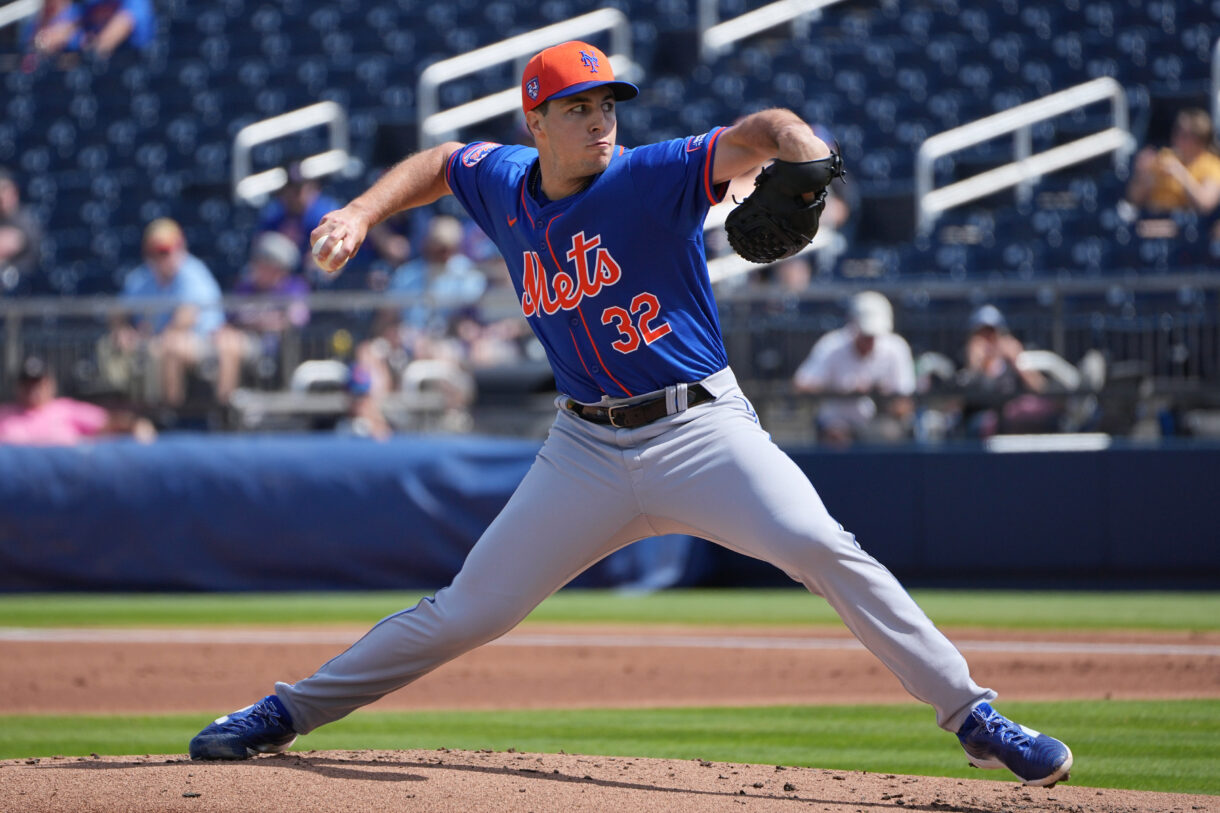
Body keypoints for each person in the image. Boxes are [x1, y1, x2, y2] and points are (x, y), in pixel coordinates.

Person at [190, 40, 1073, 787]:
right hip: (583, 448)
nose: (600, 119)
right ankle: (284, 710)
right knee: (469, 610)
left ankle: (974, 715)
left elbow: (764, 134)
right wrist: (356, 208)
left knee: (819, 546)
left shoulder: (653, 175)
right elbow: (440, 162)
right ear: (535, 123)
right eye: (577, 108)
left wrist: (805, 154)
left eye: (608, 102)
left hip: (701, 430)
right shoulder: (505, 182)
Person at [102, 219, 224, 406]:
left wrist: (150, 340)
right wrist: (122, 329)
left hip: (204, 342)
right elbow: (117, 312)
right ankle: (128, 410)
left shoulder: (192, 273)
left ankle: (170, 413)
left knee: (169, 347)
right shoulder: (142, 277)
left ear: (180, 247)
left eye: (165, 251)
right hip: (158, 339)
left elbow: (186, 318)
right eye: (154, 252)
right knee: (113, 346)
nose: (160, 257)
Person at [792, 291, 915, 446]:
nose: (869, 341)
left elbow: (905, 404)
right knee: (836, 438)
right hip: (837, 422)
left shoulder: (896, 348)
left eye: (873, 337)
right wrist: (843, 391)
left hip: (879, 424)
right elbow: (801, 385)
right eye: (865, 336)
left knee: (889, 435)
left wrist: (881, 396)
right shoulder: (831, 346)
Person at [214, 231, 310, 404]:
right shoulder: (246, 288)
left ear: (278, 267)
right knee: (226, 342)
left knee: (230, 346)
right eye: (258, 262)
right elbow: (230, 320)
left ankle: (224, 404)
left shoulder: (294, 287)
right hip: (242, 340)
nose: (257, 267)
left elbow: (295, 320)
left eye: (264, 263)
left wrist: (256, 323)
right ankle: (224, 401)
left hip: (273, 347)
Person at [0, 356, 155, 445]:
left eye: (38, 383)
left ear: (50, 384)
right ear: (18, 387)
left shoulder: (65, 409)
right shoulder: (4, 414)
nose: (33, 390)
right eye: (27, 384)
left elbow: (108, 423)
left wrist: (135, 426)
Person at [958, 304, 1058, 437]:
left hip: (1013, 423)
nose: (988, 341)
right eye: (983, 335)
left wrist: (1018, 361)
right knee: (984, 422)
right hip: (980, 427)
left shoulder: (1013, 361)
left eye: (992, 334)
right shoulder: (964, 361)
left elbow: (1040, 388)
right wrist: (975, 366)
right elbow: (956, 403)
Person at [387, 214, 486, 331]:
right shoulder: (406, 274)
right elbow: (388, 318)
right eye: (437, 247)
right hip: (411, 339)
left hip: (452, 341)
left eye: (447, 247)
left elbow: (469, 320)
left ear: (456, 247)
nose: (443, 253)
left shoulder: (469, 275)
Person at [1125, 108, 1220, 217]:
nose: (1177, 138)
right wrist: (1142, 176)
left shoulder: (1213, 165)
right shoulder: (1164, 157)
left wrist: (1181, 174)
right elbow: (1134, 199)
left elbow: (1205, 204)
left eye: (1185, 135)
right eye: (1176, 131)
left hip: (1187, 226)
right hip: (1152, 221)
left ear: (1200, 139)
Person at [257, 162, 342, 279]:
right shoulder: (274, 214)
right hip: (281, 283)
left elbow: (336, 258)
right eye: (288, 189)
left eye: (298, 190)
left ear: (312, 187)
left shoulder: (326, 214)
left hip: (320, 283)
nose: (292, 195)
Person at [0, 167, 42, 294]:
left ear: (14, 192)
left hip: (22, 285)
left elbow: (10, 243)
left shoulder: (25, 218)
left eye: (3, 190)